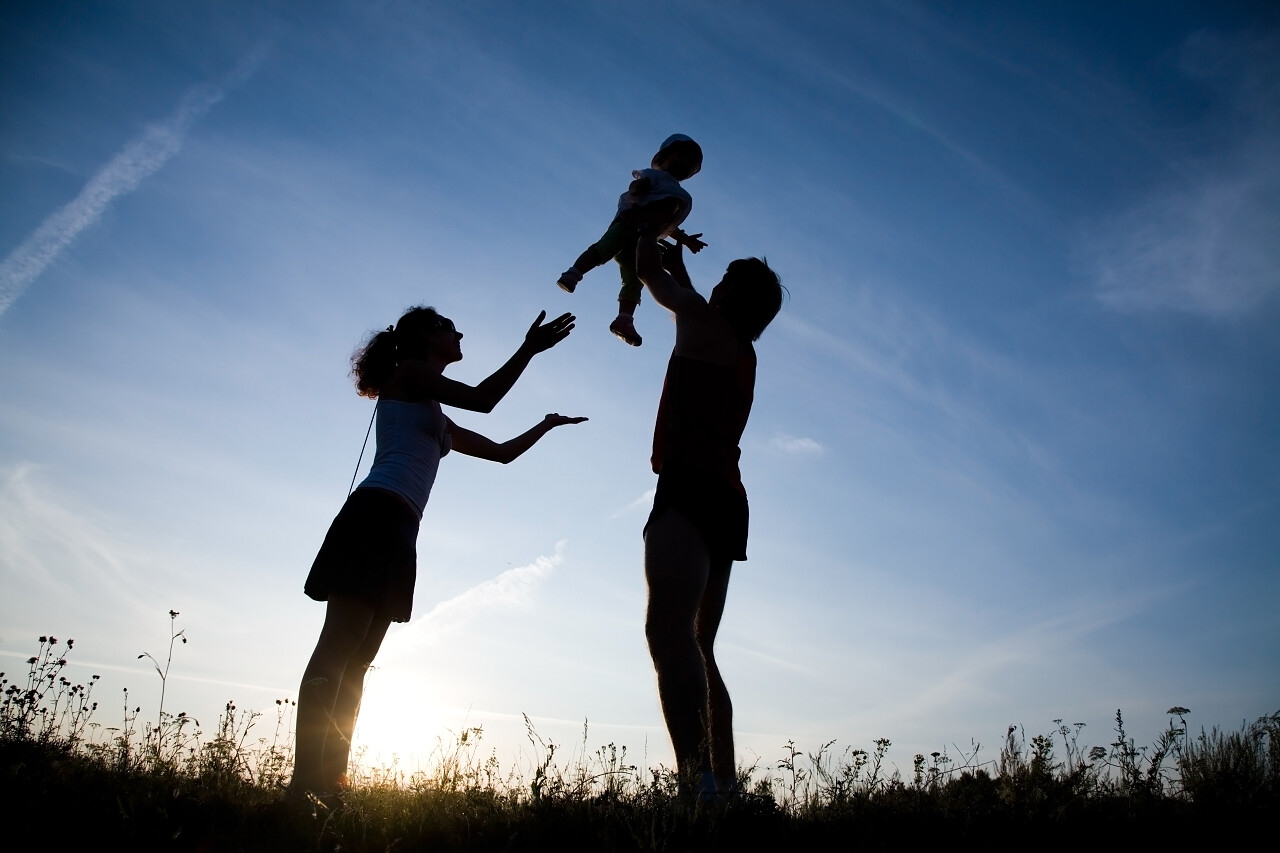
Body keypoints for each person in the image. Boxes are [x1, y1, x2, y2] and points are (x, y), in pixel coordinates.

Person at [288, 306, 585, 804]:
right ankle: (301, 784)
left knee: (359, 663)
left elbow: (501, 452)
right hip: (375, 516)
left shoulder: (433, 414)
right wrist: (529, 349)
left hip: (401, 529)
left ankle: (331, 784)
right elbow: (484, 400)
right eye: (449, 326)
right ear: (424, 338)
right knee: (338, 648)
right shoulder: (409, 374)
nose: (460, 331)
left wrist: (546, 425)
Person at [635, 223, 782, 799]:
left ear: (731, 297)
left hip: (691, 485)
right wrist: (686, 271)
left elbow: (647, 271)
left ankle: (694, 784)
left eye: (723, 280)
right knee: (699, 644)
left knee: (667, 631)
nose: (712, 285)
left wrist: (646, 210)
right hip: (726, 495)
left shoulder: (702, 321)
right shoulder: (735, 345)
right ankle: (723, 785)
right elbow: (690, 301)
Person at [556, 133, 708, 347]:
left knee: (636, 279)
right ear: (663, 158)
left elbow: (668, 224)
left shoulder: (678, 194)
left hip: (644, 241)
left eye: (690, 163)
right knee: (604, 249)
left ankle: (624, 319)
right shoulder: (655, 177)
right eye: (681, 156)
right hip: (628, 224)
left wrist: (684, 238)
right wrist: (639, 188)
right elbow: (635, 187)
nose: (684, 163)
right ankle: (574, 273)